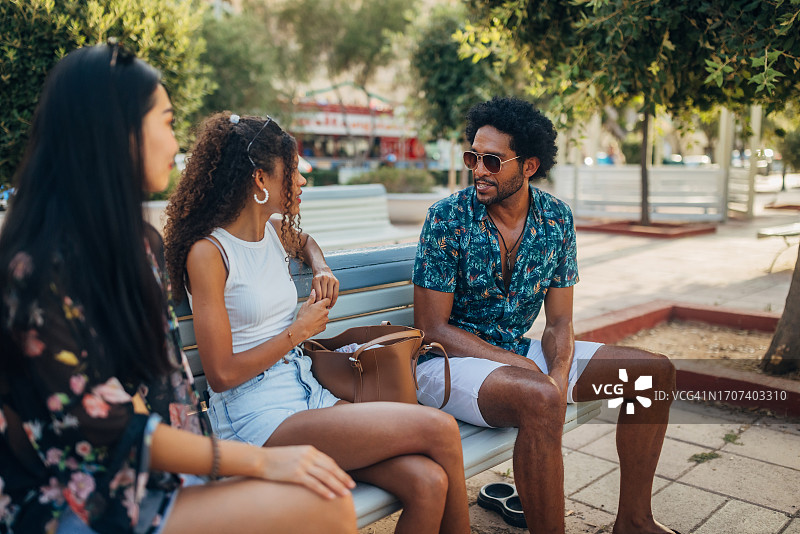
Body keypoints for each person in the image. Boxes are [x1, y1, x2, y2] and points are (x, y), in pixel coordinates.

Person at [0, 42, 357, 534]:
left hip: (157, 477)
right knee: (325, 505)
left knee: (326, 497)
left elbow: (163, 386)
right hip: (75, 501)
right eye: (166, 123)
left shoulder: (140, 245)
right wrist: (255, 463)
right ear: (115, 130)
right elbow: (110, 426)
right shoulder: (34, 269)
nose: (176, 145)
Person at [163, 111, 471, 534]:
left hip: (307, 394)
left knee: (428, 482)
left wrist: (321, 267)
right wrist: (299, 331)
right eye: (293, 171)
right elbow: (220, 375)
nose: (302, 180)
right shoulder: (210, 253)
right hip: (256, 416)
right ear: (260, 180)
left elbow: (305, 241)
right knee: (439, 428)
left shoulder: (271, 230)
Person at [412, 97, 678, 534]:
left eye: (493, 161)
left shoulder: (556, 220)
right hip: (444, 363)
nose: (478, 170)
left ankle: (634, 520)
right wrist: (529, 371)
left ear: (529, 166)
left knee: (654, 373)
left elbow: (559, 323)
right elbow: (432, 330)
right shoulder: (447, 219)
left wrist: (556, 371)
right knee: (539, 397)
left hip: (517, 356)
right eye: (472, 157)